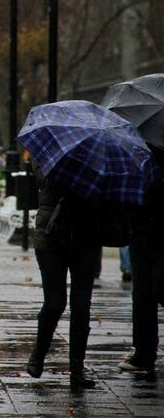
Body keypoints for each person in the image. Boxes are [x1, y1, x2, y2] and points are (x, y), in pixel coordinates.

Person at [26, 164, 100, 389]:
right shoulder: (51, 155)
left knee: (81, 307)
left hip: (86, 239)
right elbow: (42, 178)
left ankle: (77, 370)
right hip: (51, 237)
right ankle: (38, 355)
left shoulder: (98, 161)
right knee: (55, 303)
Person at [120, 155, 164, 373]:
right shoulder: (139, 156)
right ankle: (144, 353)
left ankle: (144, 353)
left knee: (156, 289)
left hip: (153, 231)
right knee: (143, 294)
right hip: (142, 231)